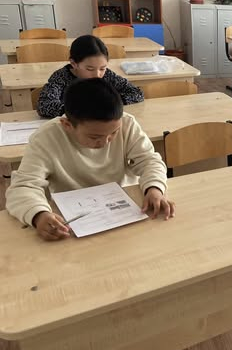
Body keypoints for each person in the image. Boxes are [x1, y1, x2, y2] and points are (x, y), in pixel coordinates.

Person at [6, 78, 174, 241]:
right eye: (95, 137)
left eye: (114, 133)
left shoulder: (127, 123)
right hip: (73, 220)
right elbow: (23, 187)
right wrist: (38, 214)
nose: (106, 141)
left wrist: (154, 188)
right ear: (67, 125)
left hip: (125, 208)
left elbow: (149, 161)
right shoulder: (46, 138)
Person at [37, 35, 143, 118]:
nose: (97, 75)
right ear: (74, 63)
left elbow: (136, 93)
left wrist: (111, 103)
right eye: (90, 69)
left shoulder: (107, 75)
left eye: (102, 68)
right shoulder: (61, 77)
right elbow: (44, 105)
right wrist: (84, 109)